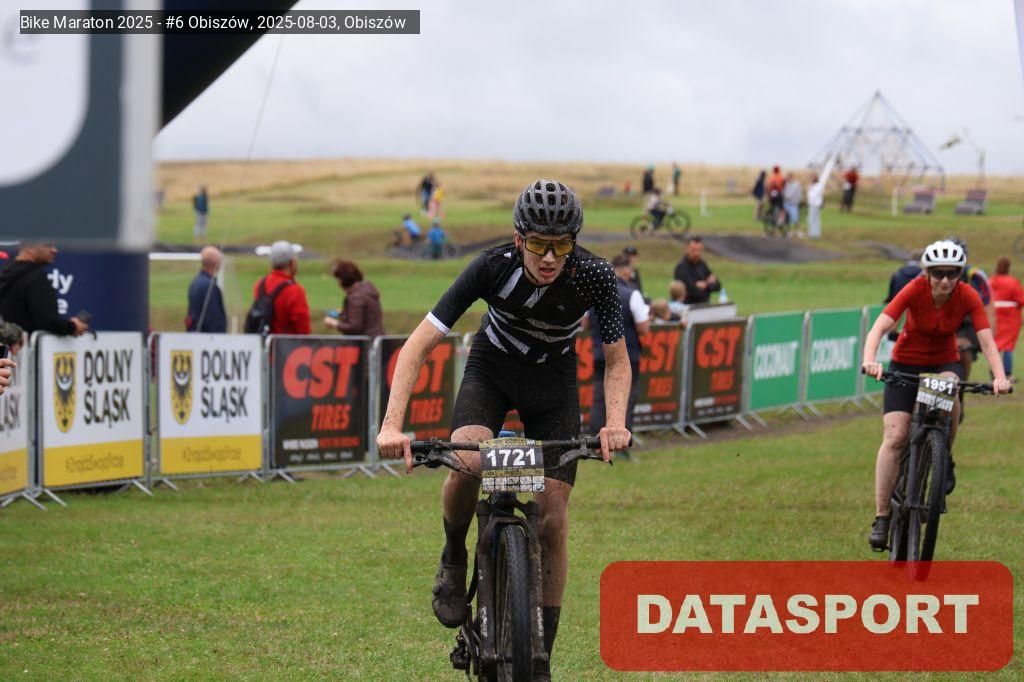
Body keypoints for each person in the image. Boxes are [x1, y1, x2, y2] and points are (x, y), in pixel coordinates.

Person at [375, 179, 631, 680]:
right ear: (519, 239)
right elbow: (417, 346)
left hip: (553, 383)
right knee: (467, 463)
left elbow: (617, 361)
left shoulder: (596, 275)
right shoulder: (490, 266)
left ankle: (542, 655)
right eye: (538, 244)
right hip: (491, 370)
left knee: (553, 515)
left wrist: (615, 424)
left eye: (561, 245)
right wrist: (391, 426)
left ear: (574, 242)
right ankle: (454, 555)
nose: (550, 257)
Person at [862, 240, 1010, 551]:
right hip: (906, 362)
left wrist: (999, 377)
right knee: (895, 436)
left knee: (951, 389)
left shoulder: (967, 295)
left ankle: (944, 456)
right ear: (927, 273)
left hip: (944, 361)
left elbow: (986, 340)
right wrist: (870, 360)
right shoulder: (914, 289)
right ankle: (882, 516)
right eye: (939, 273)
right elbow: (880, 326)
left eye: (952, 273)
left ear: (960, 274)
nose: (945, 280)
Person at [588, 253, 650, 452]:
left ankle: (594, 443)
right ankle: (621, 446)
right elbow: (643, 328)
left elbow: (585, 323)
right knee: (626, 400)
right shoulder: (632, 294)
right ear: (625, 271)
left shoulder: (593, 293)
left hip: (599, 353)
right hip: (627, 356)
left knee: (599, 399)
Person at [0, 242, 88, 337]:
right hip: (28, 345)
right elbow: (47, 322)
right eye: (48, 245)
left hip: (9, 345)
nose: (54, 250)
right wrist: (73, 327)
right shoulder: (36, 278)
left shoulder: (7, 275)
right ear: (30, 247)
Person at [252, 241, 311, 335]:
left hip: (263, 341)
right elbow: (303, 329)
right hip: (288, 343)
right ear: (291, 262)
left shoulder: (259, 285)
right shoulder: (295, 290)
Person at [324, 260, 385, 340]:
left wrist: (334, 323)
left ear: (342, 280)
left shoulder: (356, 298)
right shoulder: (366, 290)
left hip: (367, 344)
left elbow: (354, 327)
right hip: (377, 339)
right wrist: (343, 312)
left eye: (338, 280)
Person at [989, 257, 1024, 381]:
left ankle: (994, 372)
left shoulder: (991, 281)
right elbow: (1021, 300)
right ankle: (1007, 374)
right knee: (1008, 346)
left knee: (995, 345)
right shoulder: (1012, 282)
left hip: (994, 316)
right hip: (1010, 318)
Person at [185, 246, 227, 333]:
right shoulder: (209, 287)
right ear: (216, 262)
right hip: (208, 337)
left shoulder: (195, 282)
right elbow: (214, 319)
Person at [673, 237, 721, 304]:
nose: (697, 254)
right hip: (687, 307)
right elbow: (695, 293)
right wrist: (708, 285)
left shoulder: (702, 265)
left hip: (704, 305)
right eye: (693, 250)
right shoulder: (681, 268)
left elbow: (717, 286)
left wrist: (706, 285)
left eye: (699, 250)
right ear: (686, 249)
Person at [805, 174, 825, 239]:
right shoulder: (813, 186)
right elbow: (808, 194)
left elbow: (813, 195)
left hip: (815, 204)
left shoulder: (818, 186)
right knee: (812, 219)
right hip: (812, 204)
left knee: (813, 219)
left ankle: (814, 234)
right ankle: (813, 233)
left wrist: (810, 189)